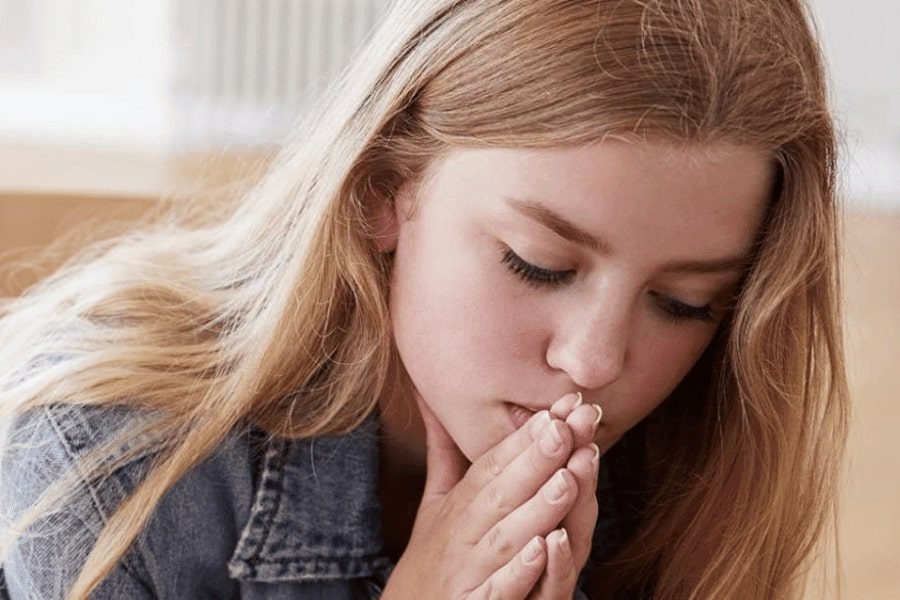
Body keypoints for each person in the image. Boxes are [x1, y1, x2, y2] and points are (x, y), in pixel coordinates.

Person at [0, 0, 850, 598]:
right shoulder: (110, 457)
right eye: (538, 264)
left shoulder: (685, 479)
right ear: (381, 188)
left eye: (685, 304)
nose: (594, 361)